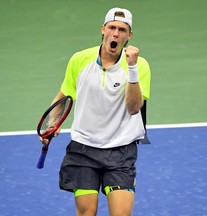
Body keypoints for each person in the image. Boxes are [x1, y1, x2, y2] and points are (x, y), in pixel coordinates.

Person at [40, 7, 151, 216]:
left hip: (121, 151)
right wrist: (50, 124)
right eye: (112, 28)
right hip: (84, 149)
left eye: (122, 29)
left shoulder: (140, 65)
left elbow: (134, 107)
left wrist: (133, 69)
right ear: (103, 29)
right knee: (86, 213)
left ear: (129, 35)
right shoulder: (80, 59)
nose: (116, 34)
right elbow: (63, 96)